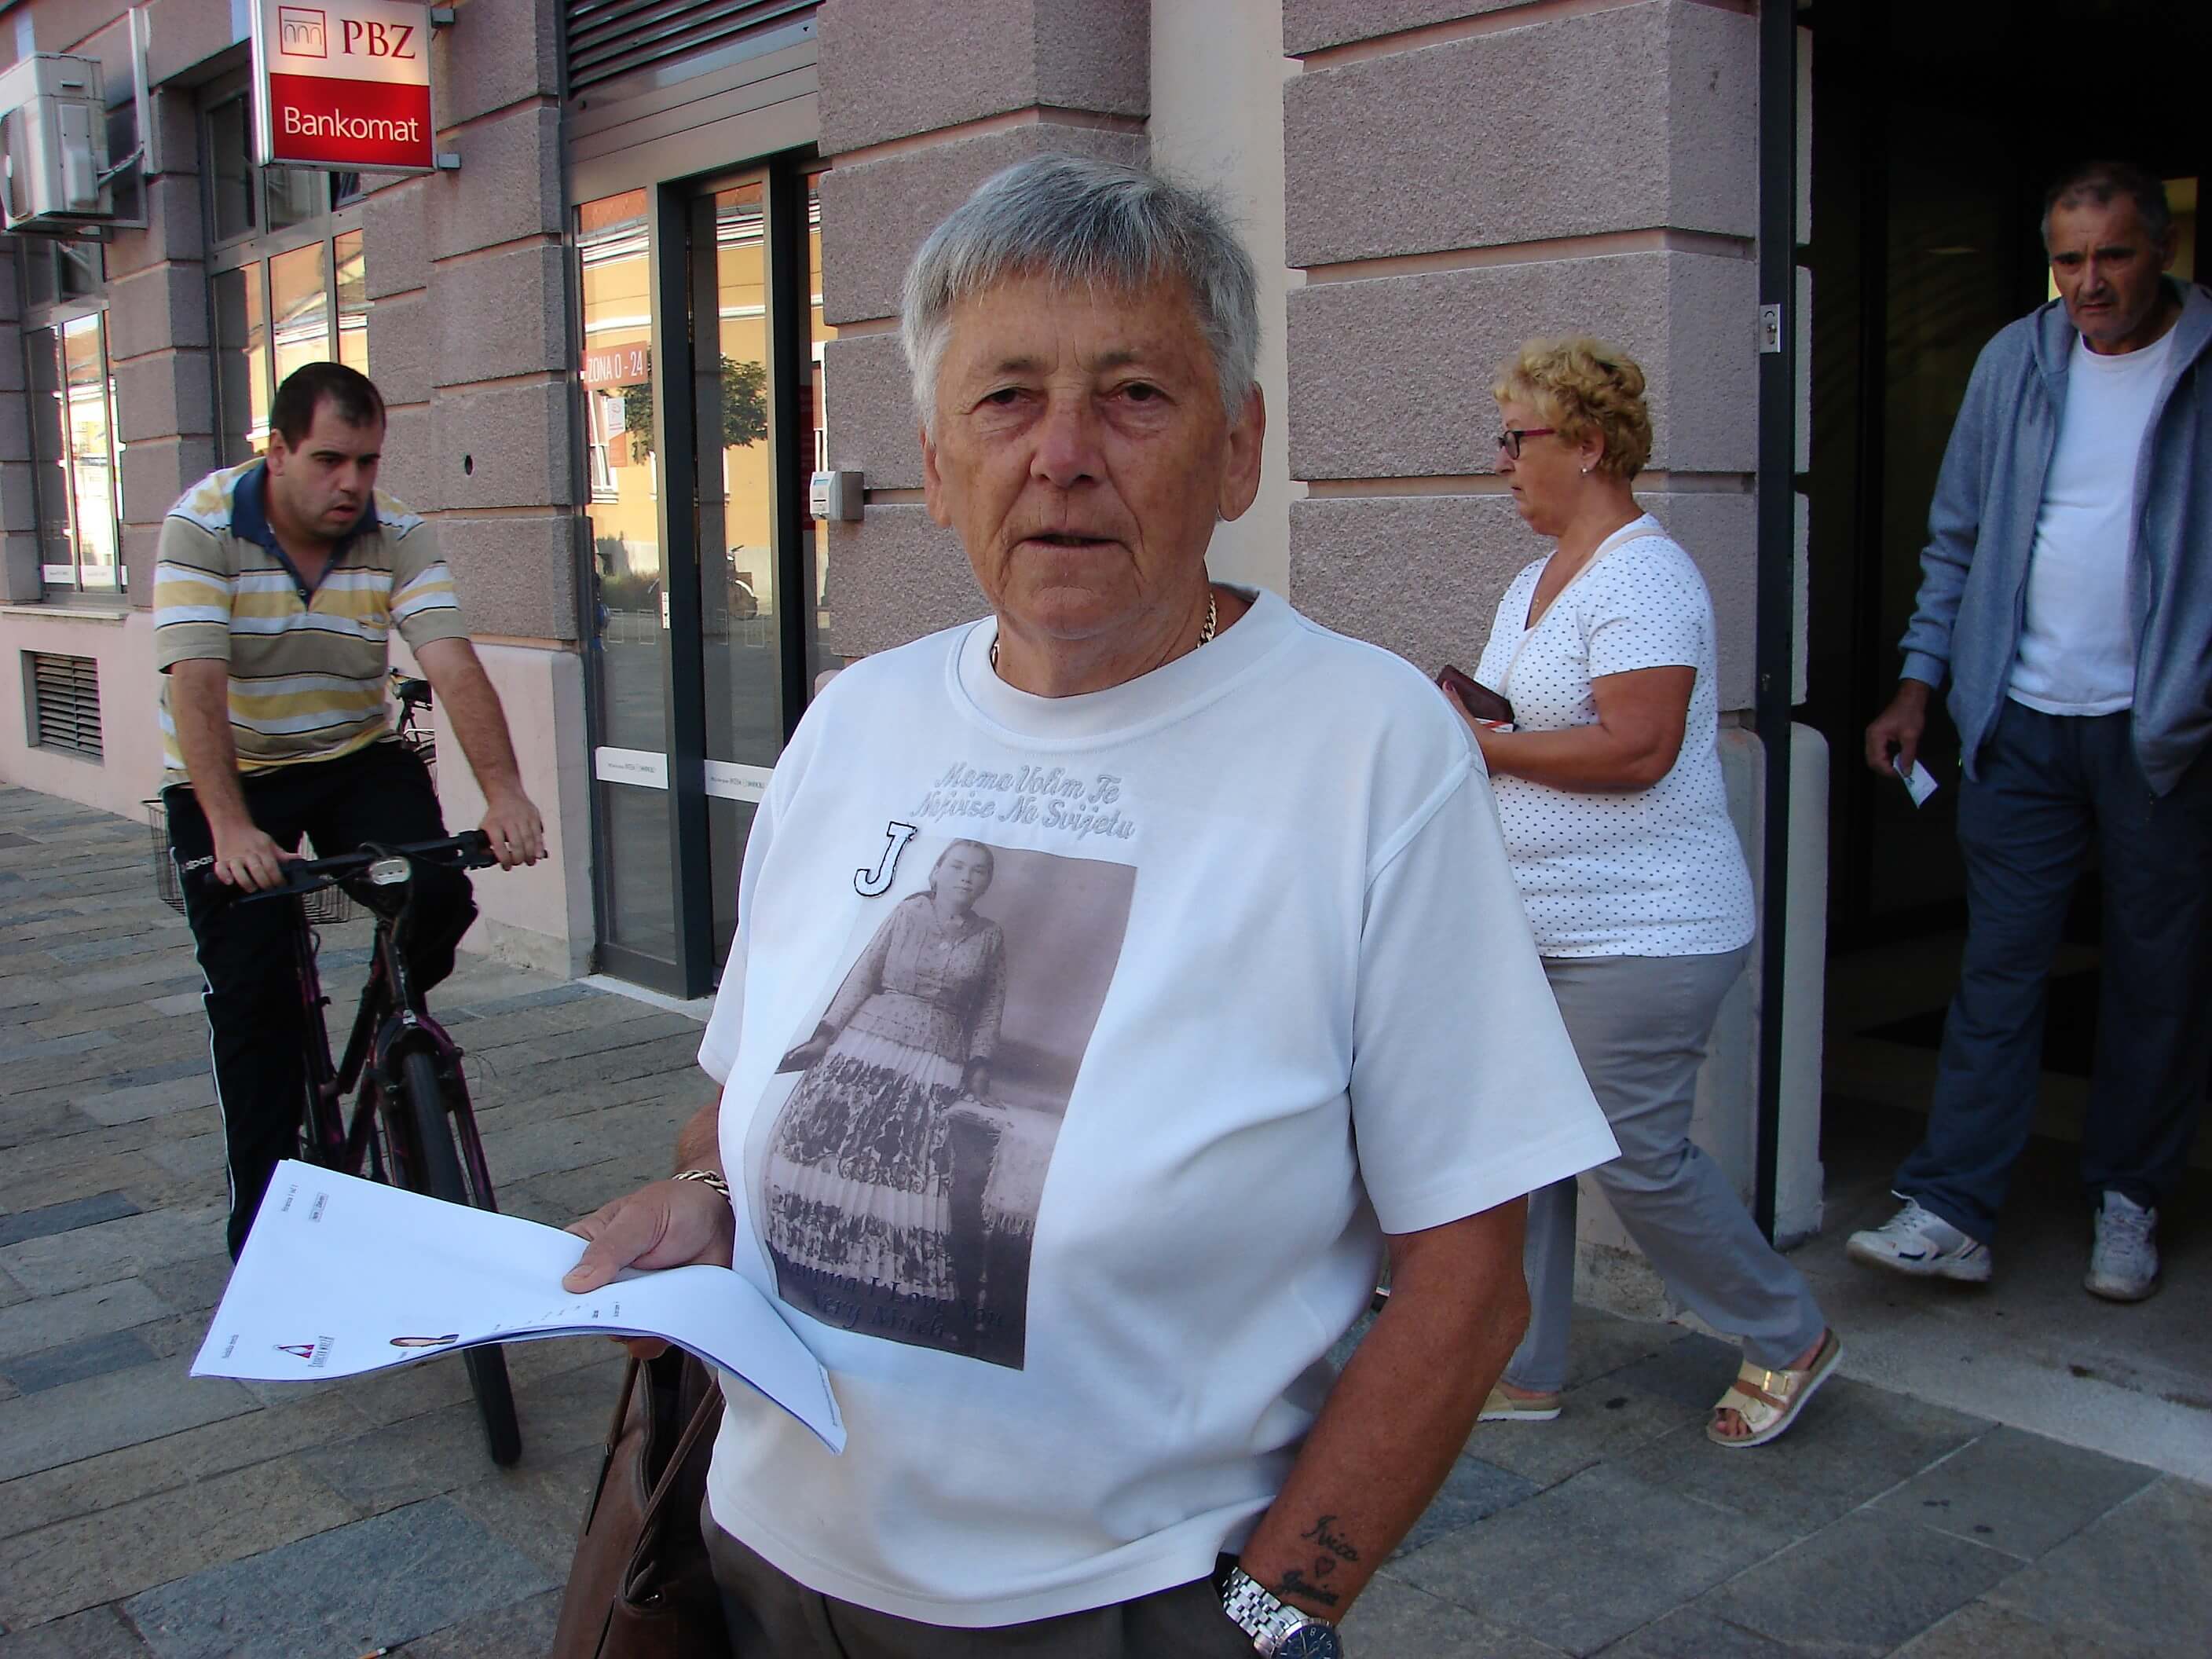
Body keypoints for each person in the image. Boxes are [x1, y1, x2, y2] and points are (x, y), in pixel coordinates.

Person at [562, 155, 1619, 1657]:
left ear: (1237, 449)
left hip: (1107, 1607)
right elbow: (748, 1091)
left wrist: (1263, 1616)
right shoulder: (854, 726)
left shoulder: (1369, 749)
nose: (1061, 455)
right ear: (936, 465)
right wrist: (706, 1194)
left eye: (1133, 395)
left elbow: (1468, 1277)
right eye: (1005, 399)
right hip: (753, 1564)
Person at [1455, 338, 1839, 1449]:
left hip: (1645, 927)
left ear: (1586, 444)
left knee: (1634, 1152)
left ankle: (1788, 1334)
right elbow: (1521, 724)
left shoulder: (1645, 575)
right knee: (1525, 1141)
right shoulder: (1534, 583)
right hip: (1542, 922)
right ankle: (1521, 1364)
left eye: (1516, 439)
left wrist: (1483, 747)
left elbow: (1638, 748)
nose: (1500, 463)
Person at [1854, 160, 2212, 1304]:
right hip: (2017, 720)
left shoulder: (2203, 362)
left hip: (2160, 735)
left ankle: (2130, 1197)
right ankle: (1952, 1208)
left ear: (2161, 249)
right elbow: (1955, 538)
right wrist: (1918, 685)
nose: (2087, 282)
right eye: (2068, 260)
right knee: (1998, 970)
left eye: (2111, 255)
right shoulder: (2015, 360)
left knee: (2154, 977)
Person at [156, 362, 546, 1261]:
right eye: (329, 460)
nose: (352, 483)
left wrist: (505, 793)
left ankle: (387, 1025)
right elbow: (196, 683)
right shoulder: (202, 526)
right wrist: (230, 827)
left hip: (350, 756)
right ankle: (262, 1246)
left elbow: (451, 663)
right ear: (277, 451)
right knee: (253, 1007)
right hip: (232, 771)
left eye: (367, 462)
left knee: (437, 895)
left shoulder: (396, 533)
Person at [764, 839, 1009, 1353]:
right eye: (957, 866)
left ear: (987, 883)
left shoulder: (989, 937)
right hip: (865, 1044)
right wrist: (824, 1036)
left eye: (978, 871)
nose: (966, 877)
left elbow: (990, 1008)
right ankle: (808, 1265)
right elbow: (863, 975)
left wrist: (979, 1071)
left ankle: (879, 1285)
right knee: (830, 1150)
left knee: (903, 1168)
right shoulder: (907, 912)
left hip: (937, 1059)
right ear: (937, 871)